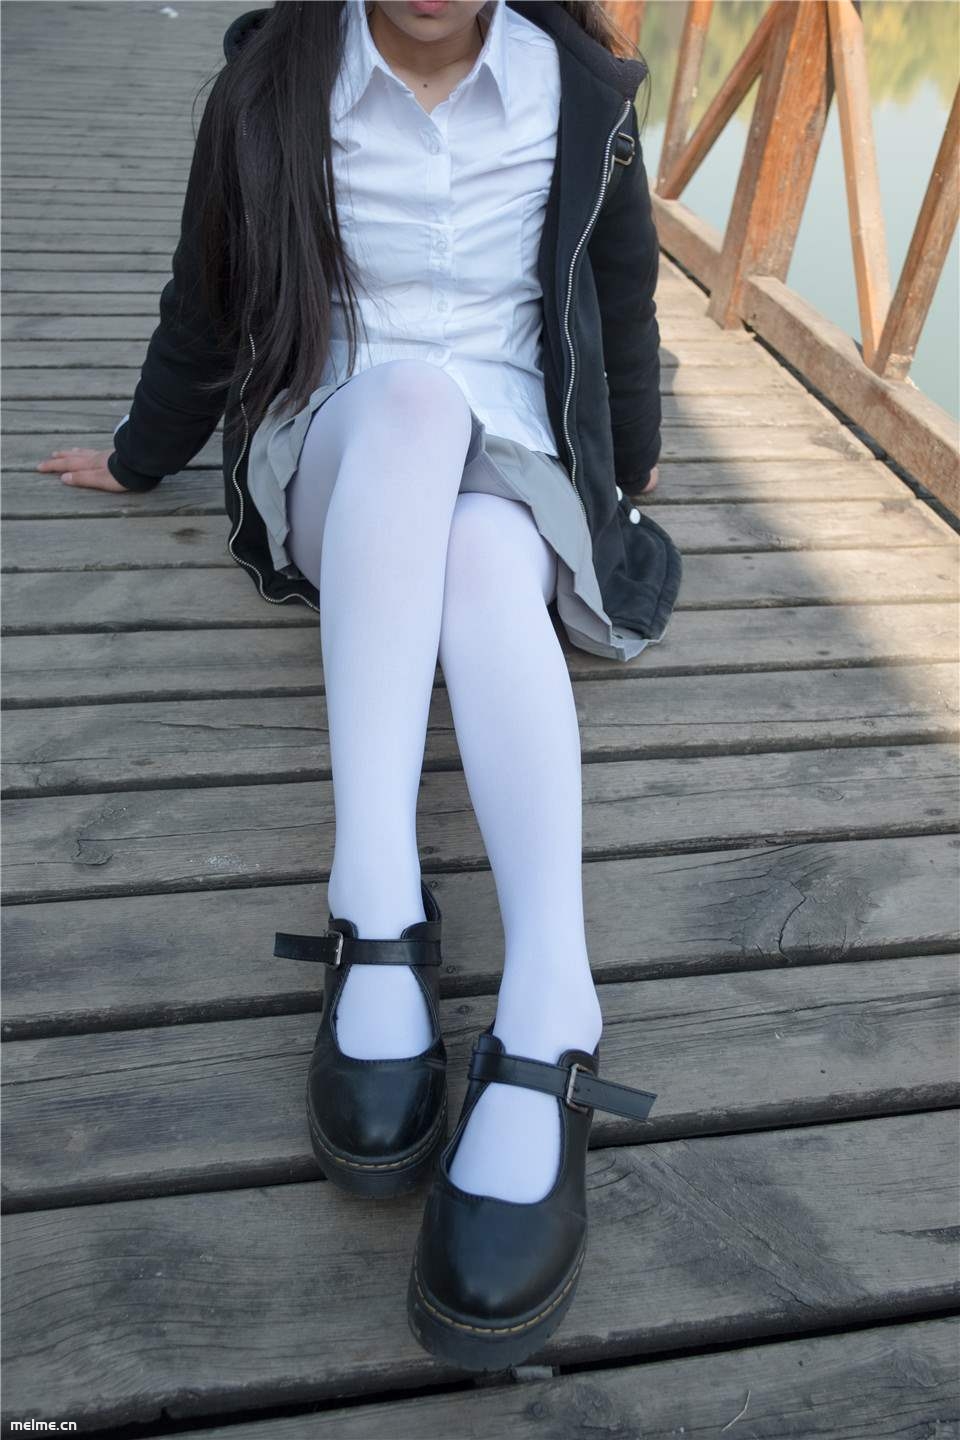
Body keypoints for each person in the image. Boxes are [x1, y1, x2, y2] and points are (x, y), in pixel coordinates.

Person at [37, 0, 679, 1372]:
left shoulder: (579, 94)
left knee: (490, 546)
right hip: (340, 452)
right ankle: (375, 894)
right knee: (414, 399)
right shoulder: (276, 83)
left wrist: (629, 465)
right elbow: (205, 298)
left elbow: (623, 301)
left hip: (515, 460)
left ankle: (549, 1004)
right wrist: (143, 456)